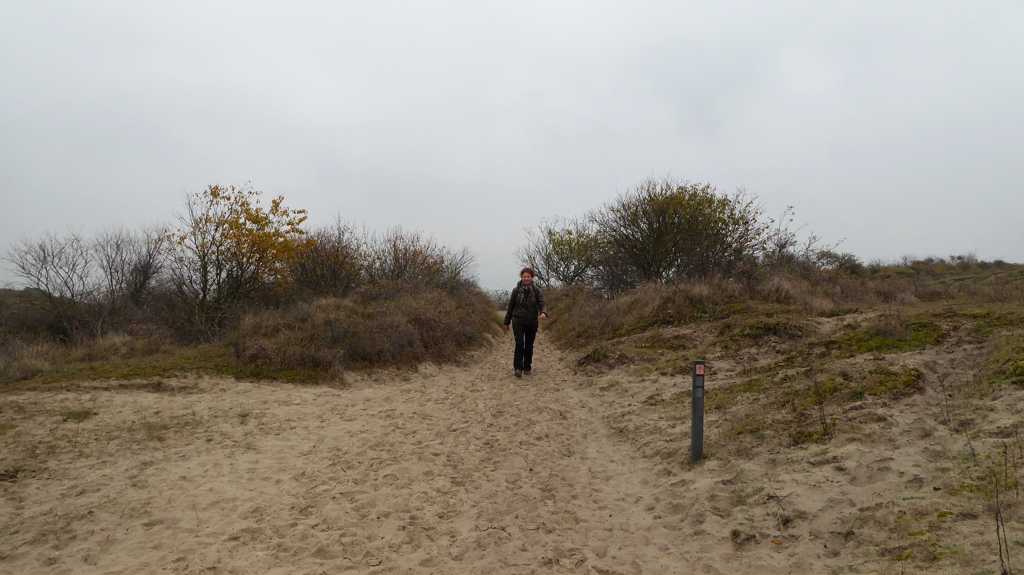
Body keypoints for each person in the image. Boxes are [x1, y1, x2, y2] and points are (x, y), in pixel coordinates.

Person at [503, 267, 548, 377]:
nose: (526, 278)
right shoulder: (516, 290)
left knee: (529, 345)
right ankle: (518, 368)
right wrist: (507, 322)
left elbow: (542, 303)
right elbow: (510, 306)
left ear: (532, 277)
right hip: (518, 320)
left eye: (528, 276)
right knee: (519, 344)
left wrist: (543, 312)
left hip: (532, 321)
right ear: (521, 277)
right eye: (524, 277)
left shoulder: (537, 290)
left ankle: (527, 367)